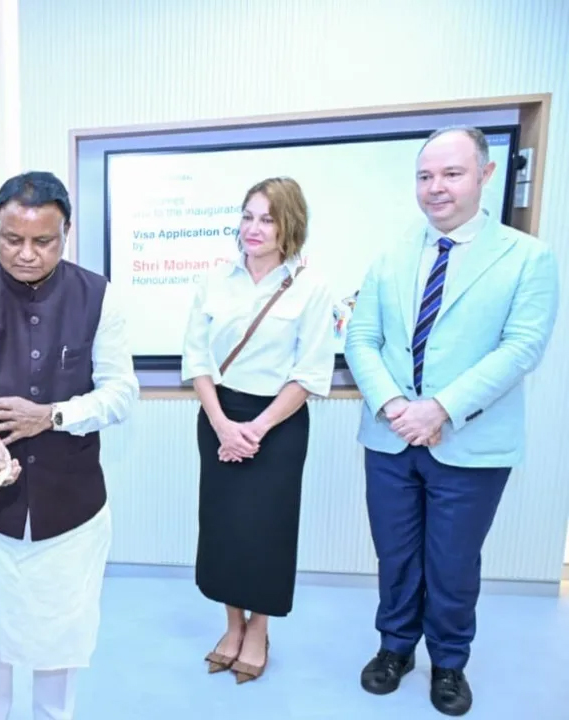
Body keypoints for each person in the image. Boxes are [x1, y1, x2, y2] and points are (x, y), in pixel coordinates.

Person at [345, 126, 559, 717]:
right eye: (425, 176)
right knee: (395, 555)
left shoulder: (527, 257)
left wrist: (440, 408)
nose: (435, 187)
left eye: (451, 174)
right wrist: (396, 407)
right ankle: (394, 648)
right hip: (390, 437)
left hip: (472, 441)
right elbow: (361, 338)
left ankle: (448, 661)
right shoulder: (390, 255)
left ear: (485, 175)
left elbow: (521, 348)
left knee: (453, 562)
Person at [0, 171, 138, 720]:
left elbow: (121, 393)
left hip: (72, 513)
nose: (26, 254)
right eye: (11, 239)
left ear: (66, 233)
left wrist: (54, 416)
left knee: (59, 649)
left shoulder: (99, 296)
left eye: (43, 241)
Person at [181, 177, 335, 683]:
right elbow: (197, 359)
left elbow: (310, 373)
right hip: (219, 416)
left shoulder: (311, 288)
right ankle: (232, 625)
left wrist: (257, 429)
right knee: (224, 529)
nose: (254, 228)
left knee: (267, 532)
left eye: (267, 219)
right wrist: (223, 425)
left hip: (279, 424)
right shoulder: (213, 280)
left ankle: (259, 630)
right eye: (248, 216)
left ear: (290, 224)